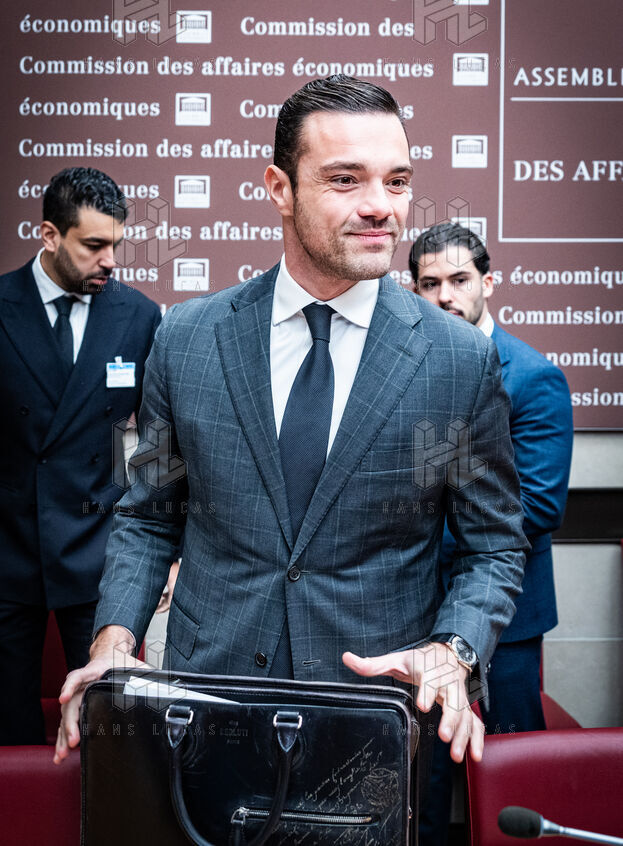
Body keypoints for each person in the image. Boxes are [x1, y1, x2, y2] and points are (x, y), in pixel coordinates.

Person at [55, 79, 528, 824]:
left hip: (374, 724)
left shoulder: (454, 362)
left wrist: (454, 649)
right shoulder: (188, 340)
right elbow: (148, 516)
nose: (380, 206)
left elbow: (491, 546)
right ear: (279, 187)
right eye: (345, 180)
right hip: (208, 714)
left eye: (396, 181)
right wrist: (115, 640)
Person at [409, 221, 573, 843]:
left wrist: (416, 539)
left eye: (459, 280)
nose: (445, 296)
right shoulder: (404, 373)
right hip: (416, 613)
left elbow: (538, 507)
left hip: (508, 615)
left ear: (489, 283)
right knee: (419, 776)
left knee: (512, 768)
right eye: (430, 284)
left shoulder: (533, 377)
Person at [0, 166, 161, 745]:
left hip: (99, 552)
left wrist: (165, 539)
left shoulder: (139, 315)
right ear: (49, 235)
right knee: (9, 732)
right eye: (93, 245)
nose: (110, 261)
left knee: (110, 731)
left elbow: (159, 440)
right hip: (7, 549)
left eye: (115, 244)